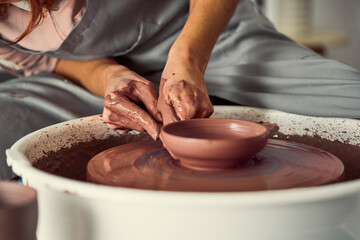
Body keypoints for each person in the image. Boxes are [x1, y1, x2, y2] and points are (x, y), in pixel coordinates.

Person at [0, 0, 359, 180]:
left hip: (213, 41)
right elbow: (52, 64)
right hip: (102, 83)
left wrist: (188, 57)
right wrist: (112, 78)